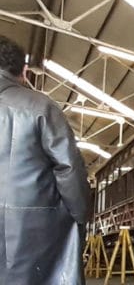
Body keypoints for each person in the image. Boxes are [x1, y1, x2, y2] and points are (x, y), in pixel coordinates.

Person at [0, 36, 91, 284]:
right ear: (25, 72)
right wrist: (80, 218)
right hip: (34, 235)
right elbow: (69, 168)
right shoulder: (40, 106)